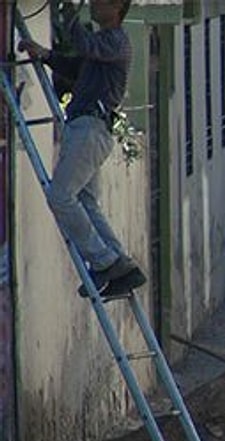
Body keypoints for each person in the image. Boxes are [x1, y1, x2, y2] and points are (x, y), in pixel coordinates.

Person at [19, 0, 146, 298]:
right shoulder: (104, 44)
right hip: (87, 128)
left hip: (91, 127)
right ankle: (122, 267)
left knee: (60, 196)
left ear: (117, 8)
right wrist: (47, 55)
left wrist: (66, 11)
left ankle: (104, 261)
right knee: (86, 202)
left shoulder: (116, 40)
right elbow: (78, 66)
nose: (94, 4)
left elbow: (86, 46)